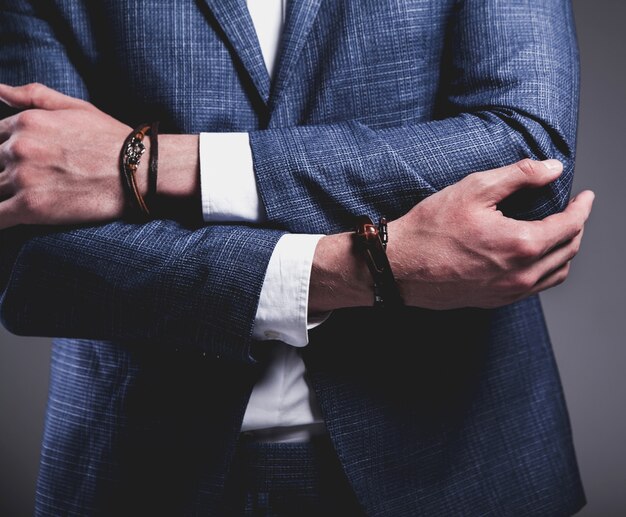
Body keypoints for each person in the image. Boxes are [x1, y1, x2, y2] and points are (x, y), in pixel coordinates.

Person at [0, 0, 593, 515]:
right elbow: (34, 261)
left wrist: (161, 164)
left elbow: (529, 160)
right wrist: (360, 268)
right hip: (141, 468)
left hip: (457, 457)